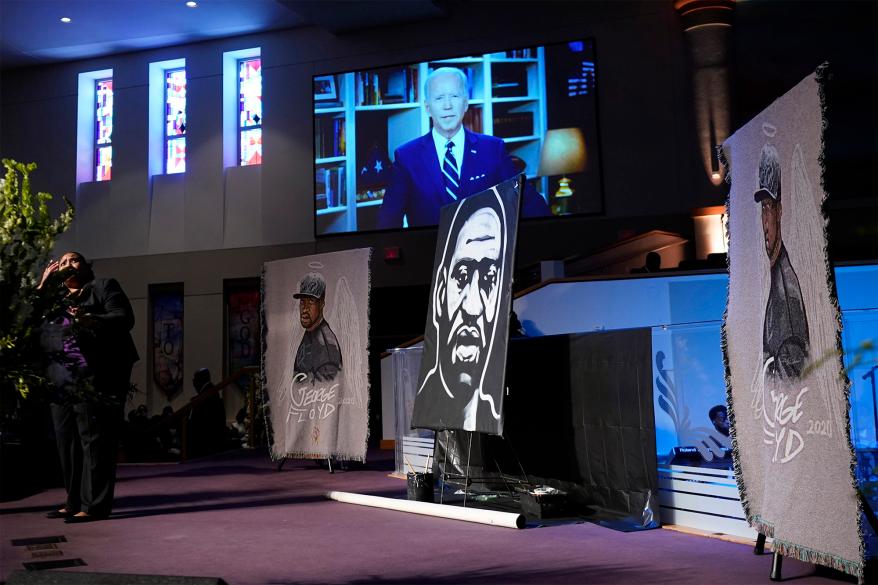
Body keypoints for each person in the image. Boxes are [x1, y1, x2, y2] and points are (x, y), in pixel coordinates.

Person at [376, 67, 549, 229]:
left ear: (465, 104)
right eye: (439, 98)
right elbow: (388, 222)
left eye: (454, 96)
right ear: (428, 107)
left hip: (485, 254)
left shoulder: (493, 149)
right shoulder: (407, 156)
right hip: (429, 255)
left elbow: (529, 204)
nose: (447, 105)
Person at [38, 251, 138, 523]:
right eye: (63, 261)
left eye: (74, 259)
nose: (68, 263)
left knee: (94, 439)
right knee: (66, 441)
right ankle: (73, 501)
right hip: (60, 377)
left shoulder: (102, 287)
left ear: (86, 267)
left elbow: (123, 317)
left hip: (96, 373)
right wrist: (43, 284)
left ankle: (93, 505)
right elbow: (27, 319)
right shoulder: (53, 299)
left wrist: (90, 318)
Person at [413, 194, 507, 433]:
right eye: (462, 275)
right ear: (440, 294)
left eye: (489, 278)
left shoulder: (493, 411)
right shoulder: (426, 400)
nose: (472, 307)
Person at [754, 144, 810, 380]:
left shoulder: (786, 290)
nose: (765, 222)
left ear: (780, 211)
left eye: (770, 207)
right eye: (762, 209)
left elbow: (792, 385)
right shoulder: (774, 275)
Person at [293, 272, 342, 383]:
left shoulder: (326, 344)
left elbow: (327, 393)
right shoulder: (310, 333)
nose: (305, 308)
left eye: (311, 301)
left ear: (321, 304)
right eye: (302, 301)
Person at [187, 368, 227, 458]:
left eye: (194, 379)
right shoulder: (209, 392)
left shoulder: (206, 396)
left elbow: (202, 421)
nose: (193, 382)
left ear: (200, 379)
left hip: (205, 443)